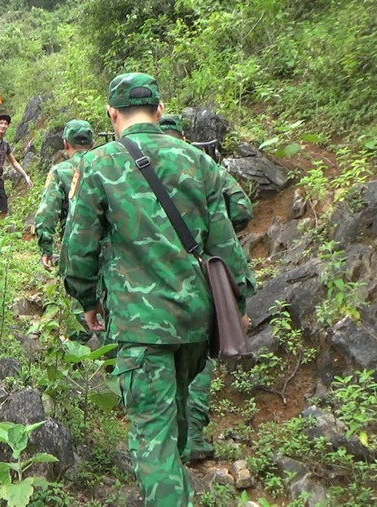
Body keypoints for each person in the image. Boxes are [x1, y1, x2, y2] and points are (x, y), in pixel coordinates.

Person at [62, 72, 254, 506]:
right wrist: (238, 302)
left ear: (112, 113)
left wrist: (86, 299)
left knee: (154, 436)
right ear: (160, 110)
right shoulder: (199, 162)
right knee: (176, 421)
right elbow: (225, 246)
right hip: (194, 320)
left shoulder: (98, 164)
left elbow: (79, 247)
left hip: (139, 325)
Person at [159, 114, 255, 462]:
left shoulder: (128, 161)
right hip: (200, 277)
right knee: (197, 361)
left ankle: (166, 444)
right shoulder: (201, 164)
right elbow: (242, 207)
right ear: (182, 135)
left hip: (145, 288)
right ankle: (193, 437)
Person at [159, 114, 253, 232]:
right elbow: (242, 210)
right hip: (202, 246)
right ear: (183, 139)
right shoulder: (207, 166)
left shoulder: (136, 167)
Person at [35, 119, 93, 271]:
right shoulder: (109, 165)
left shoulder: (60, 171)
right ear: (92, 143)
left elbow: (47, 212)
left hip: (75, 245)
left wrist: (46, 248)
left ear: (66, 143)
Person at [0, 114, 33, 217]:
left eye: (6, 124)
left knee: (3, 208)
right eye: (1, 123)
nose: (3, 126)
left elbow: (13, 162)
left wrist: (25, 176)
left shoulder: (5, 144)